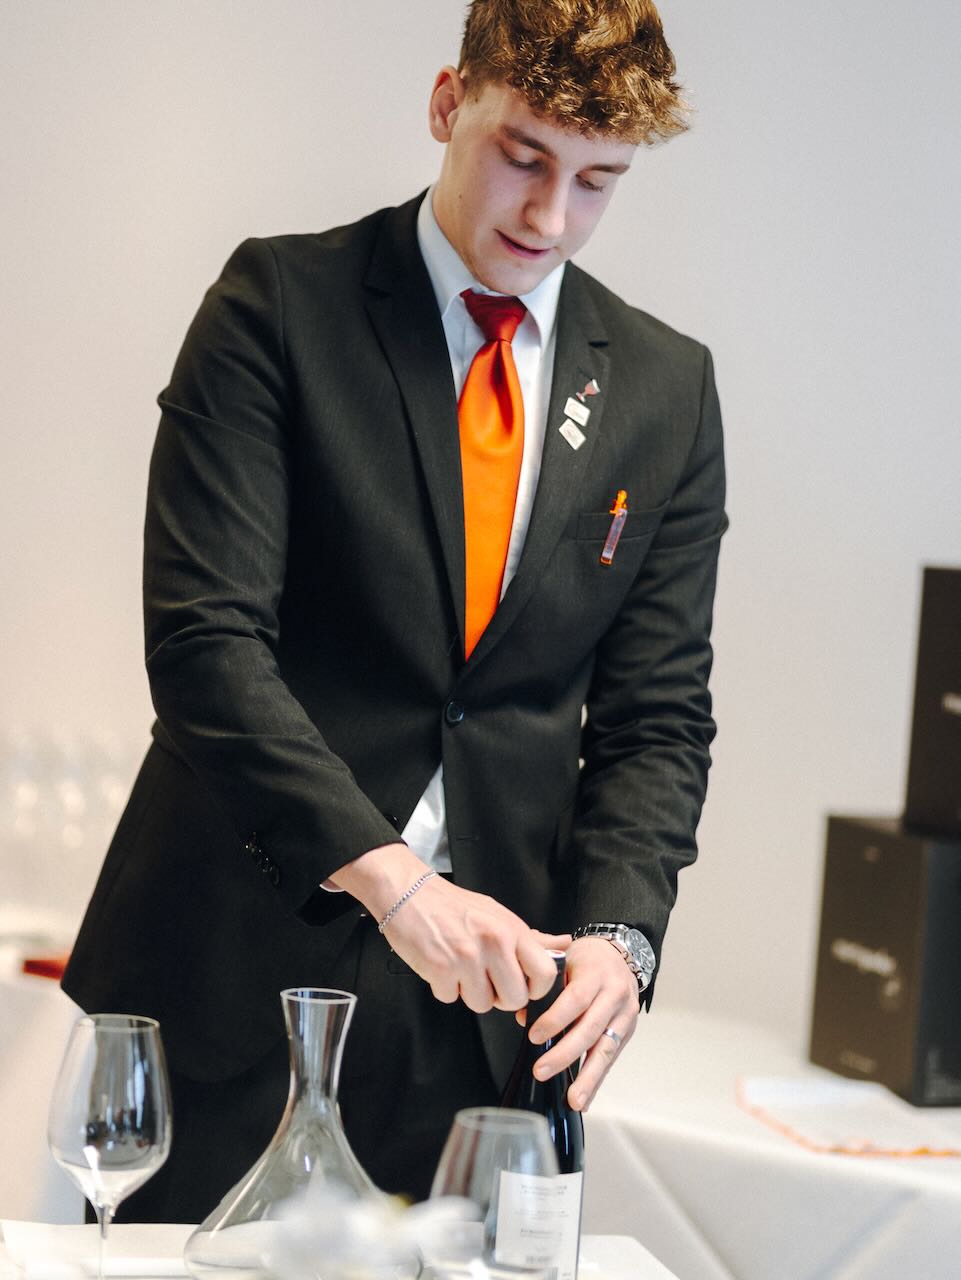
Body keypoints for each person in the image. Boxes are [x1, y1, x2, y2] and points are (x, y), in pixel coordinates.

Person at [64, 0, 726, 1218]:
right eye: (522, 156)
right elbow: (207, 644)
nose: (549, 216)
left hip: (484, 1028)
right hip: (237, 975)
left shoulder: (664, 388)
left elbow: (657, 718)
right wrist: (396, 884)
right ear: (445, 103)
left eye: (596, 182)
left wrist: (621, 937)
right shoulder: (277, 304)